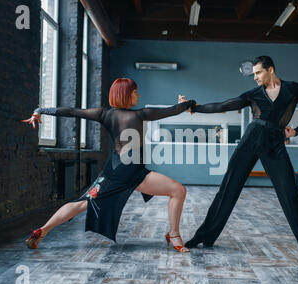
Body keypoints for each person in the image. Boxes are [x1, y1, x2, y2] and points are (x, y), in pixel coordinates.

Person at [22, 78, 196, 252]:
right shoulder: (142, 114)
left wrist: (40, 110)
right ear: (125, 94)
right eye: (135, 92)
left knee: (83, 203)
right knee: (178, 190)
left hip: (113, 170)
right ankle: (173, 234)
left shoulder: (104, 114)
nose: (138, 94)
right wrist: (187, 103)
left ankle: (42, 231)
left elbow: (72, 111)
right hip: (132, 172)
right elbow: (172, 111)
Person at [180, 56, 298, 255]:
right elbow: (224, 106)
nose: (255, 77)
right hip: (250, 140)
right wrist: (194, 107)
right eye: (254, 74)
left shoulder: (294, 89)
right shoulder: (254, 94)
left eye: (258, 73)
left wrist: (297, 131)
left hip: (275, 142)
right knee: (228, 189)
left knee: (290, 192)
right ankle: (204, 236)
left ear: (271, 69)